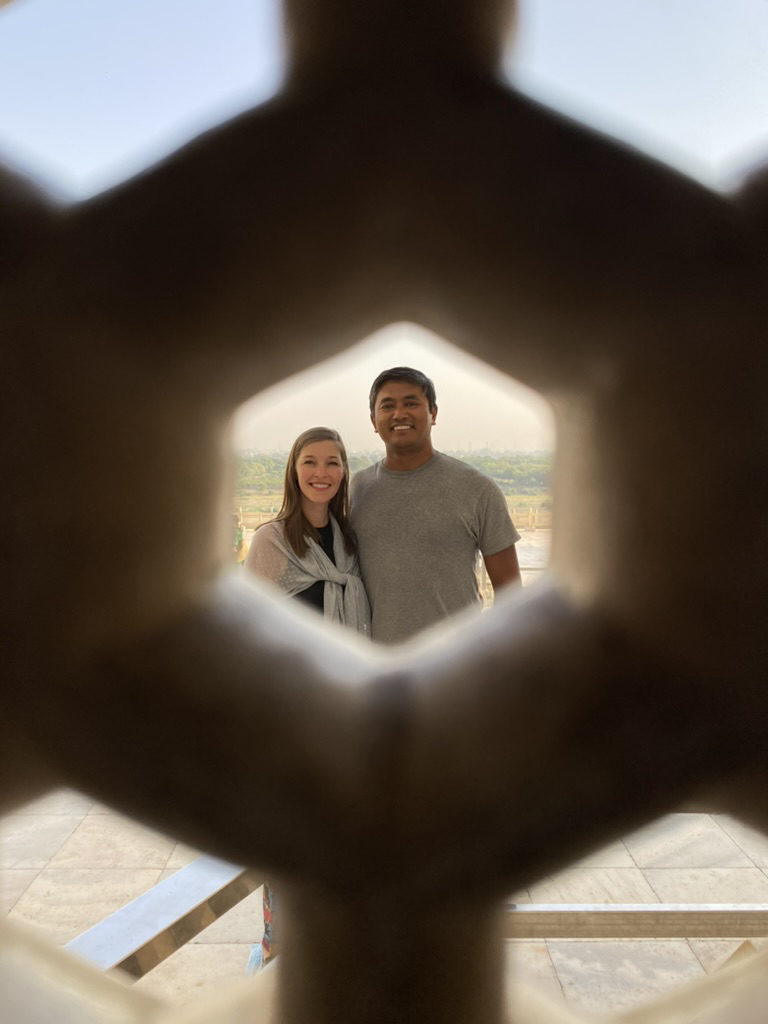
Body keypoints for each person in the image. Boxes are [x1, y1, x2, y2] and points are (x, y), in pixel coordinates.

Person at [244, 426, 370, 971]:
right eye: (310, 462)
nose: (322, 472)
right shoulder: (271, 540)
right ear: (293, 470)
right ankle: (283, 951)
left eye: (333, 463)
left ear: (344, 473)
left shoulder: (347, 540)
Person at [350, 367, 521, 645]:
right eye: (388, 406)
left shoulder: (477, 489)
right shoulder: (357, 489)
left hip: (459, 665)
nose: (399, 414)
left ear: (434, 413)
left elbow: (510, 595)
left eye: (411, 403)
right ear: (373, 419)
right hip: (379, 668)